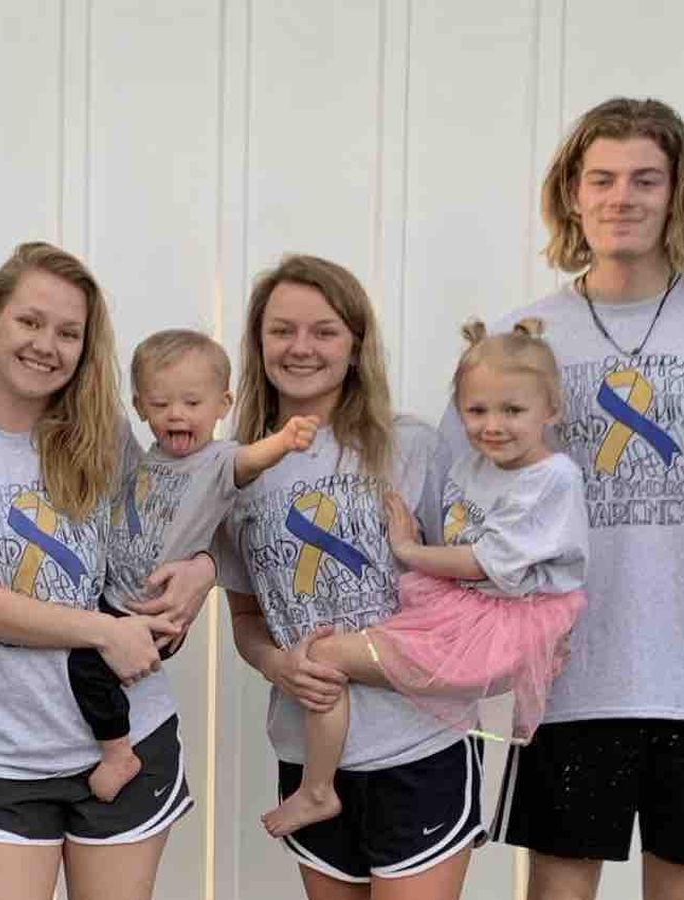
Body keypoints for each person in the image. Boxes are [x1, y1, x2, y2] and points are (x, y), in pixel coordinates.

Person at [0, 242, 213, 900]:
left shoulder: (104, 434)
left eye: (68, 333)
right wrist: (102, 631)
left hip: (129, 735)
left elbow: (179, 516)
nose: (46, 345)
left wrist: (202, 567)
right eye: (30, 321)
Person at [443, 97, 684, 900]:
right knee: (559, 886)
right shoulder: (524, 339)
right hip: (571, 673)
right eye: (603, 179)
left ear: (674, 192)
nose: (623, 198)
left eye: (646, 179)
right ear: (573, 195)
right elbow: (463, 502)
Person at [223, 254, 487, 898]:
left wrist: (363, 655)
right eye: (282, 330)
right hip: (309, 752)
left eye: (324, 331)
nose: (301, 347)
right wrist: (278, 665)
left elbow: (474, 590)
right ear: (258, 343)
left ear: (355, 345)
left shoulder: (411, 446)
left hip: (419, 745)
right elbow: (247, 618)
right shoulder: (236, 472)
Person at [267, 319, 588, 839]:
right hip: (472, 609)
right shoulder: (475, 466)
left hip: (506, 619)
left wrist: (409, 550)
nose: (493, 425)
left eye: (512, 411)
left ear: (550, 410)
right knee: (336, 652)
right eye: (476, 411)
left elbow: (483, 561)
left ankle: (317, 790)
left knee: (324, 657)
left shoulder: (551, 478)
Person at [69, 328, 318, 801]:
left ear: (222, 404)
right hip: (113, 599)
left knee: (87, 668)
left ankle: (118, 753)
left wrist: (284, 440)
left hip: (151, 614)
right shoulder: (146, 460)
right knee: (69, 645)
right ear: (140, 406)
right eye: (160, 404)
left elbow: (249, 461)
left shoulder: (217, 462)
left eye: (192, 403)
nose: (176, 414)